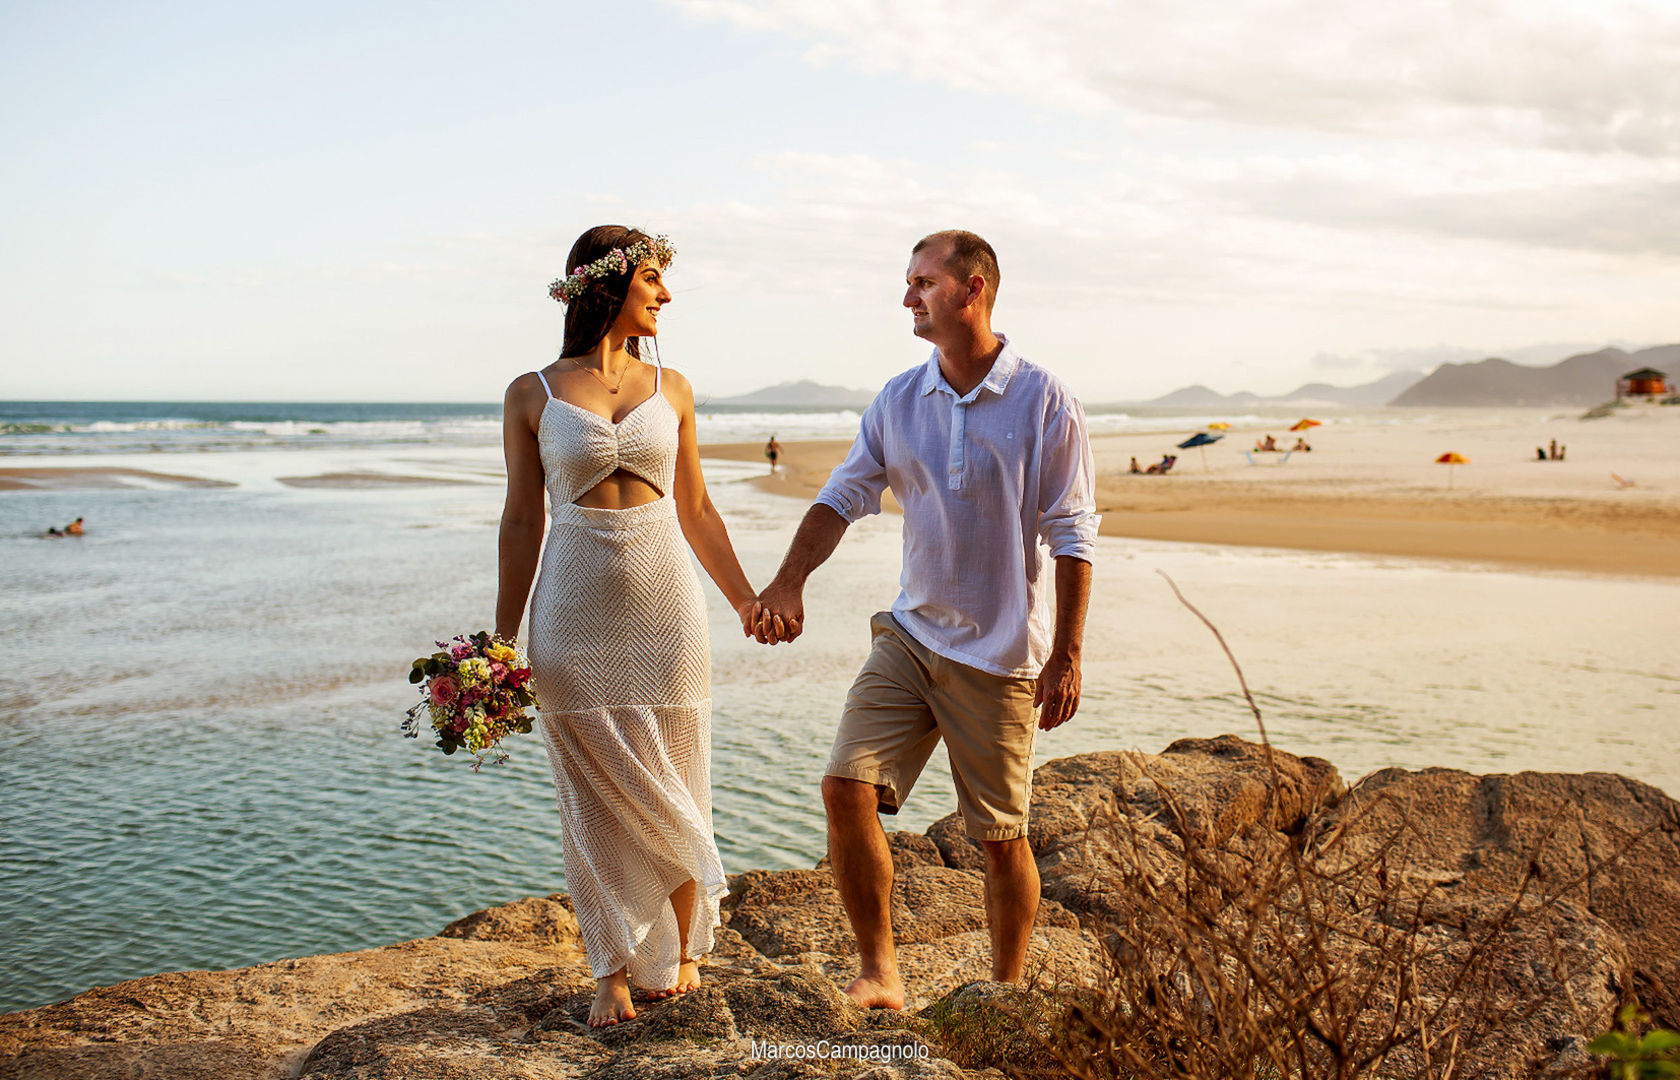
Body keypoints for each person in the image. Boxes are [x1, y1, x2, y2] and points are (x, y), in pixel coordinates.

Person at [752, 230, 1097, 1010]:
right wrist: (788, 582)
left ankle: (1004, 994)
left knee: (999, 839)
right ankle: (880, 972)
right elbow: (843, 495)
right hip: (910, 635)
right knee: (845, 787)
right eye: (908, 282)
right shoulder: (899, 399)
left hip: (1002, 655)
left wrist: (1067, 654)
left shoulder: (1045, 400)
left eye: (923, 282)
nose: (908, 296)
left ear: (973, 289)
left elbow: (1073, 534)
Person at [494, 225, 762, 1028]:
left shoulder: (672, 386)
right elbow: (521, 520)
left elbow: (698, 508)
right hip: (571, 611)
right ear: (607, 285)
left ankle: (683, 952)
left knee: (678, 774)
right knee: (593, 797)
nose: (666, 295)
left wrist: (746, 600)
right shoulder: (531, 393)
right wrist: (500, 644)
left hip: (666, 607)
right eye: (653, 278)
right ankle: (610, 969)